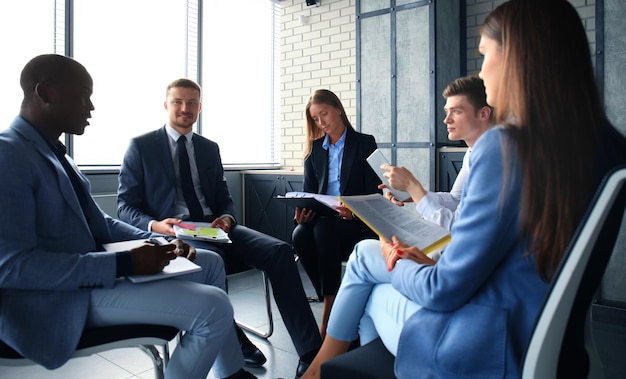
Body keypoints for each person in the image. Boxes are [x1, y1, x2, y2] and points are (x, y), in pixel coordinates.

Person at [301, 0, 626, 378]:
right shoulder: (608, 149)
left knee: (370, 283)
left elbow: (443, 289)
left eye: (486, 55)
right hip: (543, 338)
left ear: (518, 57)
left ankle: (320, 370)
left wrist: (400, 260)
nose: (484, 74)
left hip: (480, 346)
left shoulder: (505, 146)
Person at [0, 54, 256, 379]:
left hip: (86, 273)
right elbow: (10, 267)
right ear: (47, 93)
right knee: (213, 308)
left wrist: (159, 241)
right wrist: (125, 264)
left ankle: (231, 372)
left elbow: (100, 224)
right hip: (52, 298)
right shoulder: (9, 154)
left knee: (211, 262)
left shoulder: (55, 154)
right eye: (83, 95)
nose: (90, 107)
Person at [117, 78, 323, 378]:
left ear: (200, 107)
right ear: (166, 105)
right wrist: (156, 225)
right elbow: (125, 207)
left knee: (279, 251)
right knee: (209, 261)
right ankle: (234, 341)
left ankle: (309, 352)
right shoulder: (141, 146)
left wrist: (227, 218)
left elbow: (224, 200)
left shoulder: (208, 148)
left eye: (191, 103)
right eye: (178, 102)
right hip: (175, 234)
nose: (184, 108)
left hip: (215, 228)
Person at [291, 89, 382, 340]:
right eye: (316, 118)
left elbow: (375, 194)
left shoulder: (364, 143)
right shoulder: (314, 150)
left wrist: (353, 212)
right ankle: (334, 296)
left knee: (323, 230)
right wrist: (302, 213)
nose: (321, 122)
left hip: (355, 221)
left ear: (338, 108)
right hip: (323, 219)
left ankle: (330, 308)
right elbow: (309, 193)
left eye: (324, 114)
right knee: (299, 234)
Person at [383, 75, 493, 231]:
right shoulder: (472, 152)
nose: (446, 120)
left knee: (365, 248)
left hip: (479, 251)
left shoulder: (491, 159)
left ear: (483, 114)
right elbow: (455, 200)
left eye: (456, 111)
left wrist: (413, 187)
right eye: (447, 112)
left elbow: (456, 227)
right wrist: (413, 193)